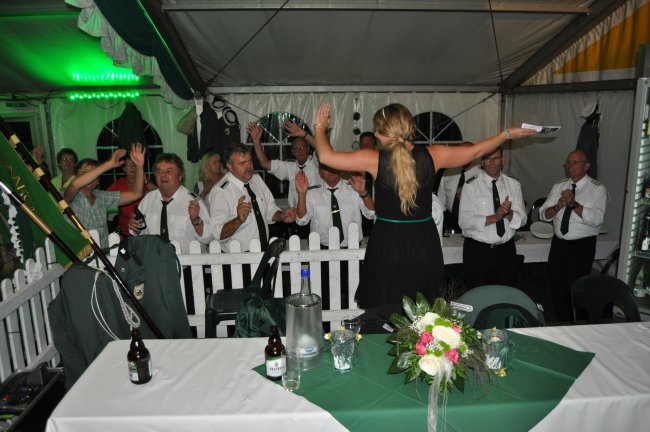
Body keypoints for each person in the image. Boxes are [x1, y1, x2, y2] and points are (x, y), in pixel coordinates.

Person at [310, 102, 536, 309]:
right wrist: (506, 134)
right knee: (423, 309)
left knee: (386, 308)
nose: (376, 134)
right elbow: (476, 151)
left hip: (388, 242)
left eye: (378, 130)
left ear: (388, 132)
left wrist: (319, 127)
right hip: (423, 242)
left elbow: (327, 157)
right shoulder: (433, 154)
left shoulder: (373, 158)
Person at [539, 149, 607, 322]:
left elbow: (597, 219)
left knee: (577, 290)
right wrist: (558, 207)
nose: (570, 166)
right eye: (568, 162)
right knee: (557, 288)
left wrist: (573, 204)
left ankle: (577, 325)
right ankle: (561, 324)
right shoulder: (559, 185)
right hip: (559, 245)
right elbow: (543, 215)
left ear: (587, 166)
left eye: (575, 162)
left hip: (581, 247)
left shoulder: (597, 189)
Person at [458, 147, 527, 289]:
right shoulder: (471, 186)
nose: (492, 162)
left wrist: (508, 214)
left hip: (505, 251)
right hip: (478, 251)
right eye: (487, 159)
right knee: (476, 295)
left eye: (496, 158)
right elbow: (464, 221)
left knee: (504, 294)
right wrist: (496, 217)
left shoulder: (513, 185)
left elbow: (522, 220)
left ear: (503, 160)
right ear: (482, 162)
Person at [209, 143, 296, 252]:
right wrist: (238, 220)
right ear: (230, 166)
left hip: (263, 251)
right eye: (243, 163)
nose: (249, 166)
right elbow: (218, 234)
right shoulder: (221, 191)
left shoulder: (256, 180)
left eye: (250, 161)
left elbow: (270, 210)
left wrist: (282, 216)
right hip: (238, 257)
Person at [129, 153, 212, 254]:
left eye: (169, 171)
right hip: (154, 261)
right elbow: (140, 233)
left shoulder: (194, 202)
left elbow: (208, 237)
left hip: (186, 263)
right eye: (159, 171)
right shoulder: (147, 200)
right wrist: (136, 228)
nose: (163, 175)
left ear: (180, 177)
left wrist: (196, 221)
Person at [64, 144, 145, 247]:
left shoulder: (102, 197)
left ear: (98, 181)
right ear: (76, 176)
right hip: (79, 253)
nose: (90, 177)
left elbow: (136, 193)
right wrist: (110, 164)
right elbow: (74, 185)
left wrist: (139, 166)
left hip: (103, 253)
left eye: (94, 174)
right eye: (85, 172)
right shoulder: (70, 197)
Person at [295, 164, 375, 248]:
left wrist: (363, 192)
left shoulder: (354, 188)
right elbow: (302, 221)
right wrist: (301, 194)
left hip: (353, 248)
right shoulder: (312, 193)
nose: (329, 170)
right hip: (321, 250)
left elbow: (372, 214)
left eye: (332, 166)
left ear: (339, 169)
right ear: (320, 173)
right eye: (325, 168)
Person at [248, 121, 321, 208]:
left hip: (317, 213)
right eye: (296, 149)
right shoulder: (291, 167)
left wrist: (303, 134)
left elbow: (322, 150)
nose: (300, 151)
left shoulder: (316, 163)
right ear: (293, 152)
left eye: (302, 147)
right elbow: (264, 163)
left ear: (308, 149)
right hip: (297, 213)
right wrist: (256, 141)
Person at [107, 156, 156, 237]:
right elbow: (103, 199)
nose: (133, 167)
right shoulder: (119, 184)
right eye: (129, 165)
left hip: (146, 231)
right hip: (126, 232)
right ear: (124, 169)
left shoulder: (146, 181)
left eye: (135, 165)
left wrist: (146, 181)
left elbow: (159, 194)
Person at [437, 142, 480, 233]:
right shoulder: (448, 172)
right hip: (450, 220)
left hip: (474, 220)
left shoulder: (482, 174)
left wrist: (469, 198)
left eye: (467, 153)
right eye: (461, 152)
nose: (463, 156)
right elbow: (441, 199)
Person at [358, 131, 378, 237]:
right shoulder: (355, 166)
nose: (365, 147)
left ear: (375, 146)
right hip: (363, 219)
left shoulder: (383, 164)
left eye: (368, 144)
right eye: (362, 145)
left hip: (380, 217)